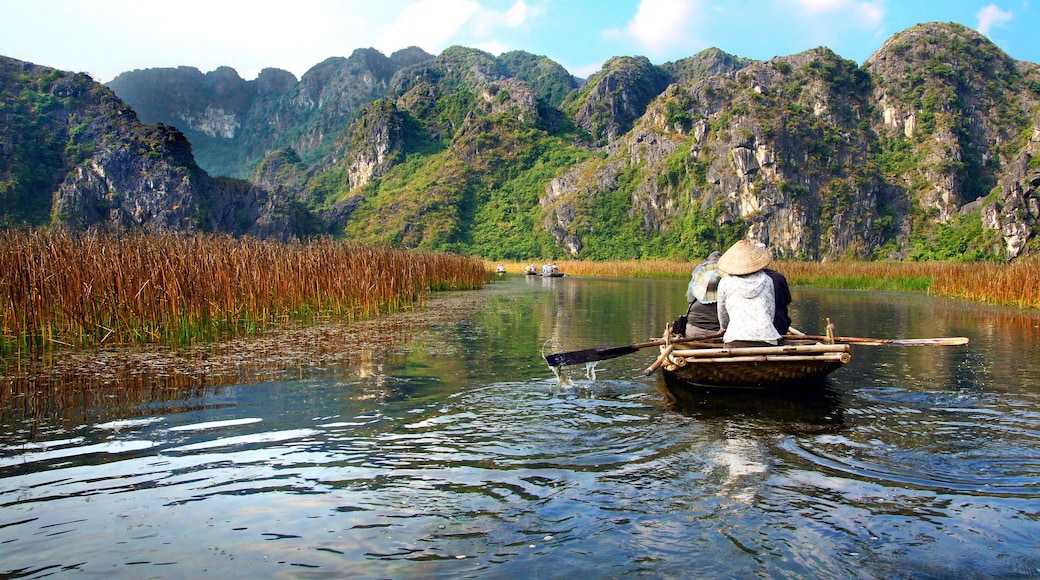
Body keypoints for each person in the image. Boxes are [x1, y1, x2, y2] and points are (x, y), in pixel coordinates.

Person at [715, 240, 782, 348]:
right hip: (767, 337)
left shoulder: (725, 282)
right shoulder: (767, 280)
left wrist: (724, 328)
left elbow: (722, 313)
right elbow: (770, 311)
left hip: (735, 338)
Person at [682, 250, 723, 339]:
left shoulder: (697, 282)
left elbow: (689, 298)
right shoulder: (726, 287)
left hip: (692, 332)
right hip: (717, 335)